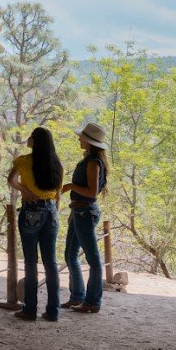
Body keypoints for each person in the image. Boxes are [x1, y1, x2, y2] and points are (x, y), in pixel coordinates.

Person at [5, 127, 64, 322]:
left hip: (31, 210)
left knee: (31, 262)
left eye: (32, 136)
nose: (28, 138)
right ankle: (53, 310)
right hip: (51, 212)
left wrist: (26, 191)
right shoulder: (57, 164)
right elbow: (58, 195)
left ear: (35, 141)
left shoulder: (23, 161)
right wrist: (52, 211)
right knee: (51, 263)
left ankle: (30, 309)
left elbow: (11, 180)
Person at [60, 122, 110, 314]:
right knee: (70, 255)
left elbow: (91, 193)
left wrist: (70, 187)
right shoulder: (91, 160)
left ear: (89, 141)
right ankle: (77, 297)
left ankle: (92, 301)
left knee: (93, 259)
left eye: (82, 137)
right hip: (79, 212)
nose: (79, 139)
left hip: (84, 212)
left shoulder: (92, 163)